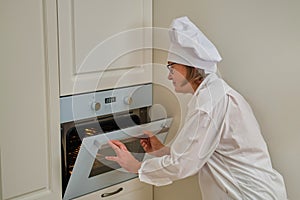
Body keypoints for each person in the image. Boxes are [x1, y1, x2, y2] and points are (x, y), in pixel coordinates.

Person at [105, 16, 288, 199]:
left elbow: (184, 164)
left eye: (171, 67)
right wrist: (162, 151)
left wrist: (137, 167)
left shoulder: (209, 104)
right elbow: (200, 152)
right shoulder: (213, 94)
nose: (169, 76)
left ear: (190, 67)